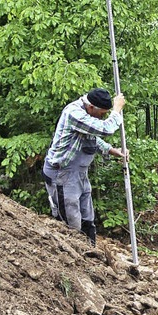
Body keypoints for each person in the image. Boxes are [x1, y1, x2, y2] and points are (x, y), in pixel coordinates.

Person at [43, 88, 127, 246]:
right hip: (62, 174)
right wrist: (116, 110)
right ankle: (71, 261)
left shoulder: (87, 114)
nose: (103, 116)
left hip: (79, 174)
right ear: (90, 107)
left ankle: (91, 255)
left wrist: (111, 150)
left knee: (87, 218)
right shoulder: (74, 113)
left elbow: (92, 137)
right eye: (102, 113)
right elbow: (105, 129)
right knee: (70, 223)